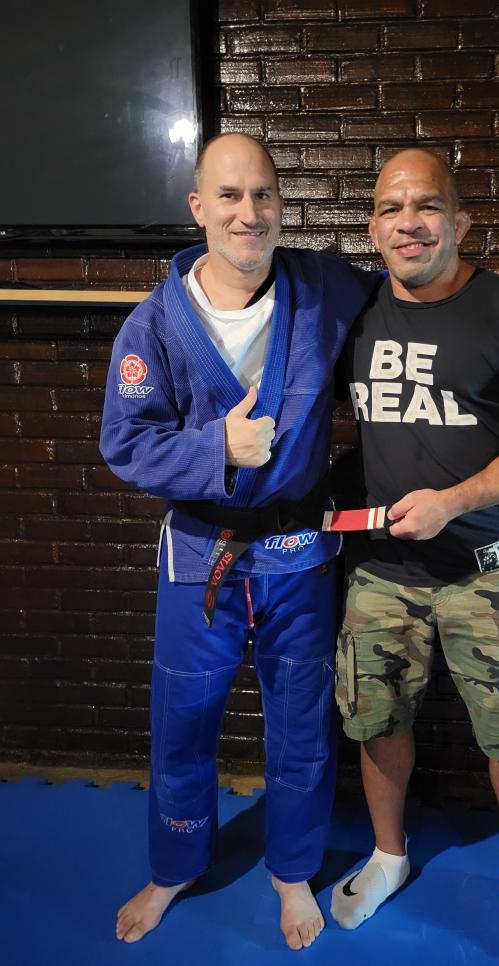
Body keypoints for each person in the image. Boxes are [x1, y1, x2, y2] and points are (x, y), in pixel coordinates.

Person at [99, 133, 378, 950]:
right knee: (184, 717)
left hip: (298, 549)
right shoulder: (155, 325)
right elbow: (125, 442)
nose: (247, 213)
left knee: (302, 721)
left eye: (263, 195)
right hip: (202, 552)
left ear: (282, 205)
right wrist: (214, 447)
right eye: (228, 195)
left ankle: (291, 870)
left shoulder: (323, 288)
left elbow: (405, 293)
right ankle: (175, 864)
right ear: (198, 207)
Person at [330, 148, 499, 966]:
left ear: (460, 221)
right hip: (381, 571)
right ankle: (388, 856)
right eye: (390, 208)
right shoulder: (355, 314)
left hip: (491, 568)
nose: (409, 223)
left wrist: (453, 501)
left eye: (427, 206)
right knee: (376, 722)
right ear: (373, 228)